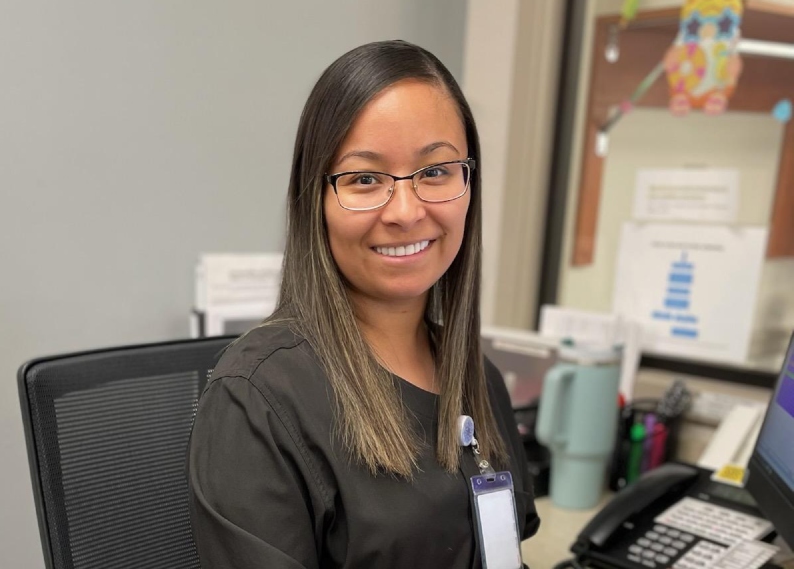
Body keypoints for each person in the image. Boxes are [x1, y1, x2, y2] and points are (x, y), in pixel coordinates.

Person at [187, 39, 540, 568]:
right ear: (316, 201)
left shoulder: (478, 378)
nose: (405, 210)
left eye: (436, 172)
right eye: (365, 179)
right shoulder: (256, 401)